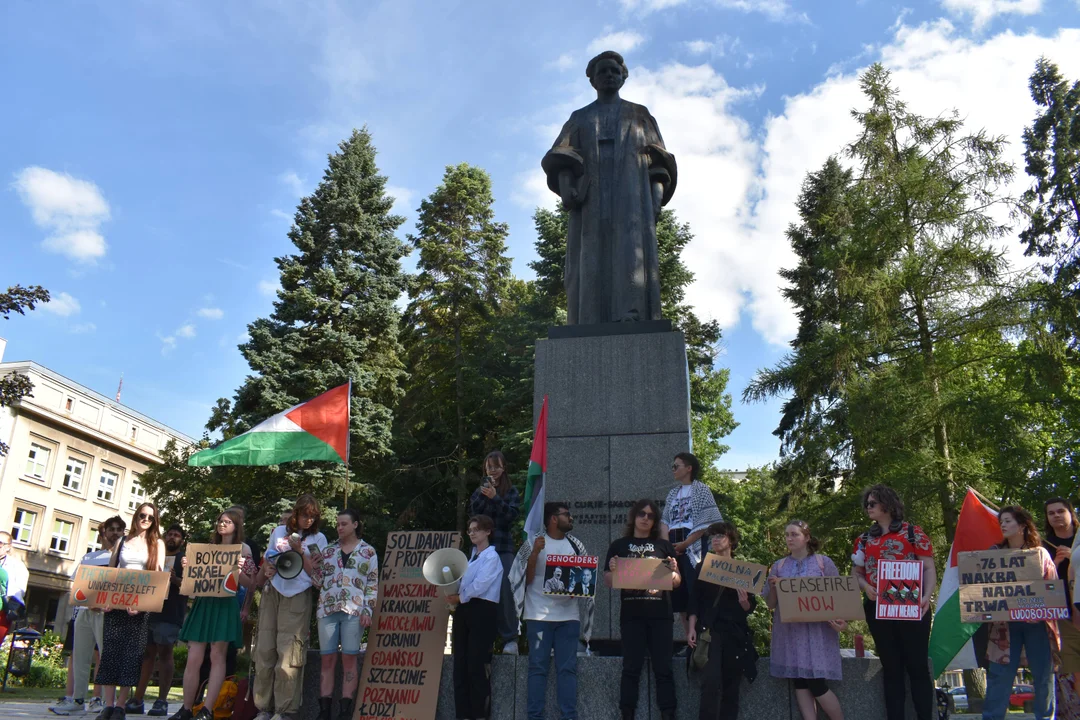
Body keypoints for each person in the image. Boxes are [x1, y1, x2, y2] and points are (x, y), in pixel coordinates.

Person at [541, 50, 677, 324]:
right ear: (592, 80)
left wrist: (655, 199)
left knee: (630, 251)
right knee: (590, 253)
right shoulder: (579, 117)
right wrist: (567, 187)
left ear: (623, 77)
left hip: (632, 195)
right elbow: (561, 156)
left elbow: (659, 163)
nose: (609, 76)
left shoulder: (639, 115)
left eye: (615, 71)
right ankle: (589, 318)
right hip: (590, 197)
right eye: (603, 71)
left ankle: (632, 315)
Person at [852, 484, 937, 720]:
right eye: (866, 504)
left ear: (887, 505)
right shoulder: (863, 539)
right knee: (891, 668)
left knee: (918, 667)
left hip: (913, 607)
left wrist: (926, 596)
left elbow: (929, 567)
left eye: (872, 503)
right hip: (878, 609)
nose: (868, 508)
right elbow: (855, 573)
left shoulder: (913, 533)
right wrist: (866, 586)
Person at [510, 501, 594, 720]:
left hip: (569, 617)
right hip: (538, 615)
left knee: (567, 669)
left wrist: (579, 590)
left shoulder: (576, 546)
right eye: (567, 514)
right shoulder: (532, 543)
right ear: (553, 519)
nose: (571, 517)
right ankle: (534, 716)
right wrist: (535, 554)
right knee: (537, 668)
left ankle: (569, 716)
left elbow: (584, 581)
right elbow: (522, 580)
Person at [169, 511, 256, 720]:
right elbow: (192, 582)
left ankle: (208, 709)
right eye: (220, 521)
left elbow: (251, 583)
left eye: (227, 522)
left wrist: (240, 570)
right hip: (204, 602)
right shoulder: (206, 549)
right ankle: (187, 708)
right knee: (194, 658)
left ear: (236, 526)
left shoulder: (244, 550)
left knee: (217, 656)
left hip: (225, 604)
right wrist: (187, 569)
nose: (222, 524)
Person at [252, 494, 327, 720]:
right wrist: (267, 570)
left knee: (289, 653)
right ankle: (263, 708)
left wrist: (300, 550)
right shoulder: (278, 532)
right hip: (274, 591)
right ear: (296, 514)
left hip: (297, 595)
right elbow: (268, 560)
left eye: (313, 517)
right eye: (305, 515)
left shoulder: (319, 539)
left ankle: (285, 711)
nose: (309, 521)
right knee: (265, 650)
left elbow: (317, 577)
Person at [603, 498, 680, 720]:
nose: (645, 518)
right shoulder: (619, 545)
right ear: (634, 516)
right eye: (642, 514)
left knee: (664, 668)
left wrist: (673, 571)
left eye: (650, 515)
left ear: (655, 521)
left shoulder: (664, 547)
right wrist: (613, 570)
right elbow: (608, 581)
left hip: (661, 616)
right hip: (631, 616)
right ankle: (626, 713)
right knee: (630, 668)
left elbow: (676, 582)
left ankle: (668, 712)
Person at [982, 506, 1059, 720]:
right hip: (1003, 627)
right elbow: (981, 589)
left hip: (1038, 624)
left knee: (1043, 674)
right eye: (1001, 522)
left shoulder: (1040, 553)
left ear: (1023, 525)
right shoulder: (993, 554)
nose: (1003, 525)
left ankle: (1045, 717)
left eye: (1007, 521)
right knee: (999, 675)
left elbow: (1052, 588)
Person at [765, 520, 846, 720]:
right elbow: (771, 604)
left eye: (794, 534)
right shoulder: (779, 566)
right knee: (799, 681)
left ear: (807, 538)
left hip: (818, 633)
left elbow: (839, 597)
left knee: (817, 684)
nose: (789, 539)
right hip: (790, 633)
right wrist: (775, 588)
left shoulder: (823, 563)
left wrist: (842, 622)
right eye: (787, 535)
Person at [94, 502, 166, 720]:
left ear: (155, 522)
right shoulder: (122, 541)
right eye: (142, 515)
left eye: (150, 517)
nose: (145, 519)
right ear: (136, 517)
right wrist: (106, 599)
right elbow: (112, 571)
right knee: (110, 652)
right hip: (116, 603)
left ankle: (121, 705)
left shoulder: (157, 544)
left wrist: (143, 604)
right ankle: (108, 704)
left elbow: (158, 577)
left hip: (139, 606)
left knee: (131, 654)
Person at [51, 517, 126, 716]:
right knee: (80, 657)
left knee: (105, 657)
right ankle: (76, 699)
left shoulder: (124, 559)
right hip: (84, 612)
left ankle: (98, 699)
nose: (115, 533)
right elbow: (77, 585)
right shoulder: (90, 557)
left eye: (120, 530)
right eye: (112, 529)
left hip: (107, 614)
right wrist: (87, 603)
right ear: (104, 533)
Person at [688, 522, 758, 720]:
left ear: (731, 540)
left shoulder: (743, 569)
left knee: (731, 685)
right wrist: (691, 627)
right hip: (710, 632)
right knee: (710, 683)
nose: (716, 540)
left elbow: (751, 606)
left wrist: (744, 603)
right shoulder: (703, 566)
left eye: (720, 536)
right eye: (713, 536)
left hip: (734, 633)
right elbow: (694, 600)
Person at [313, 509, 378, 720]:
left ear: (355, 525)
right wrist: (313, 568)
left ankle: (345, 711)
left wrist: (368, 609)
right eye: (338, 524)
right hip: (328, 610)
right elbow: (319, 580)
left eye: (344, 524)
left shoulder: (368, 552)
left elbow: (372, 584)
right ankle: (324, 711)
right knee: (327, 660)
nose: (339, 528)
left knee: (349, 659)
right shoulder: (329, 551)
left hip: (354, 611)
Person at [660, 452, 723, 642]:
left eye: (676, 466)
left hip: (693, 545)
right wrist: (667, 545)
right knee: (678, 595)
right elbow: (665, 520)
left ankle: (702, 636)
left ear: (689, 468)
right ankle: (688, 636)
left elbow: (708, 522)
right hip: (673, 545)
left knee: (694, 589)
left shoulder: (702, 490)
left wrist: (686, 543)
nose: (673, 469)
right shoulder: (673, 493)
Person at [447, 515, 503, 720]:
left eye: (476, 529)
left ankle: (479, 715)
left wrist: (460, 596)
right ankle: (463, 714)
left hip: (482, 610)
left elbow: (481, 585)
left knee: (477, 666)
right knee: (460, 664)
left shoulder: (492, 557)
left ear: (488, 531)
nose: (472, 533)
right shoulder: (470, 558)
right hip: (464, 609)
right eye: (470, 530)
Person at [129, 524, 188, 716]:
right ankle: (137, 699)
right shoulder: (156, 556)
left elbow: (190, 587)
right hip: (150, 610)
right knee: (146, 654)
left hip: (170, 613)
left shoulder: (184, 560)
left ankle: (162, 701)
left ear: (182, 540)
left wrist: (175, 579)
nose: (172, 537)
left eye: (176, 535)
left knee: (165, 653)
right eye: (169, 534)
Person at [468, 450, 521, 654]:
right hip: (481, 550)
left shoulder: (511, 491)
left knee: (506, 591)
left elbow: (511, 517)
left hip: (503, 548)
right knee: (479, 591)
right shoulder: (480, 490)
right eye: (489, 467)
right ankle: (483, 638)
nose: (493, 471)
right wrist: (486, 495)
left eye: (496, 467)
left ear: (504, 468)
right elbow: (475, 513)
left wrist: (496, 497)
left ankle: (510, 639)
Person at [1044, 498, 1080, 700]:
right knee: (1075, 670)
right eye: (1051, 513)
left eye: (1060, 511)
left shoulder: (1079, 541)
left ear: (1070, 513)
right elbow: (1040, 586)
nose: (1056, 516)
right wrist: (1055, 564)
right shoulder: (1043, 546)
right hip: (1064, 616)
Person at [0, 530, 30, 645]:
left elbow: (19, 590)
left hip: (2, 612)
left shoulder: (16, 566)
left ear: (8, 547)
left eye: (0, 543)